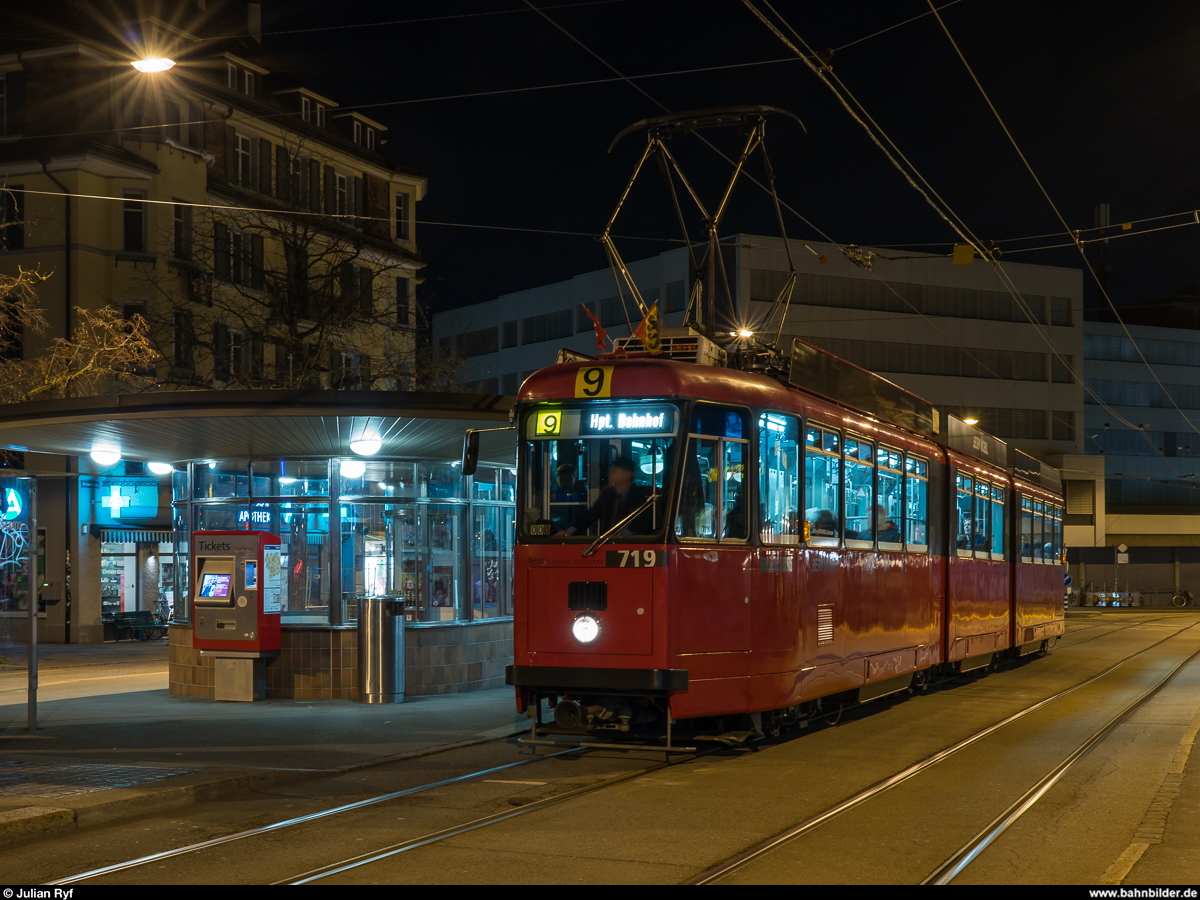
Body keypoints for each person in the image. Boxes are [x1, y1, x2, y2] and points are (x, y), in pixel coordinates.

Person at [557, 456, 653, 536]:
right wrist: (571, 530)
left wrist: (626, 534)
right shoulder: (608, 494)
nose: (609, 473)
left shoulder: (641, 497)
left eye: (615, 470)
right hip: (607, 544)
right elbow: (590, 515)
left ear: (627, 474)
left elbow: (644, 525)